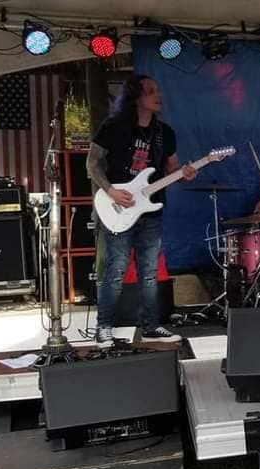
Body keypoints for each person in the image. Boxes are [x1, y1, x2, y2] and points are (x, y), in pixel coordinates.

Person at [87, 75, 197, 347]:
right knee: (116, 269)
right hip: (118, 206)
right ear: (135, 96)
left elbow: (173, 169)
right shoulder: (113, 127)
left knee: (149, 271)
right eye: (150, 91)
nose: (157, 95)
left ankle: (151, 326)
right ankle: (104, 327)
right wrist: (111, 191)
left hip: (150, 210)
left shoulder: (164, 133)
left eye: (157, 90)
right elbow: (92, 163)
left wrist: (185, 174)